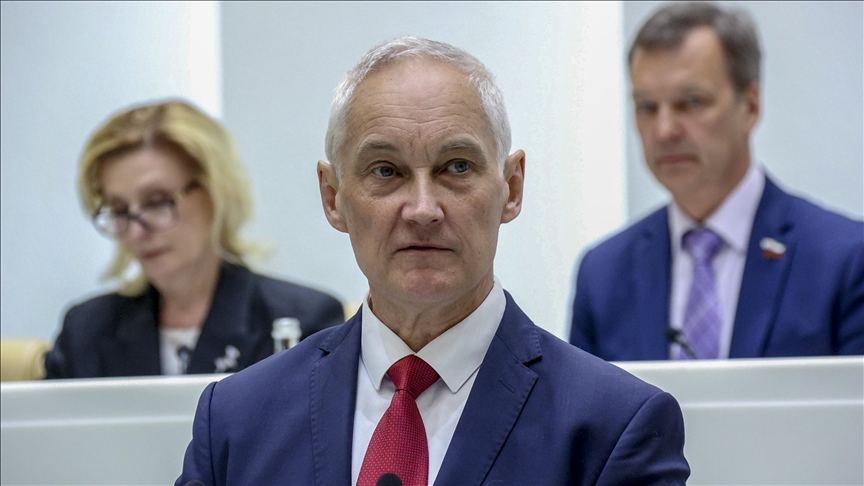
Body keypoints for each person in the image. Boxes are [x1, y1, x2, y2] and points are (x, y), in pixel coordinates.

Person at [177, 37, 689, 486]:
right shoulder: (237, 421)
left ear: (511, 188)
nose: (423, 209)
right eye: (386, 171)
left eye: (456, 167)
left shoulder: (612, 427)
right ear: (333, 198)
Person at [569, 2, 864, 361]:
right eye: (647, 107)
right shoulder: (603, 274)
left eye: (691, 102)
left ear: (750, 107)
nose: (664, 130)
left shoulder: (845, 260)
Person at [45, 100, 344, 378]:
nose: (136, 231)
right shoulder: (85, 331)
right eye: (120, 210)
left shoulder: (304, 320)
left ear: (216, 192)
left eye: (157, 201)